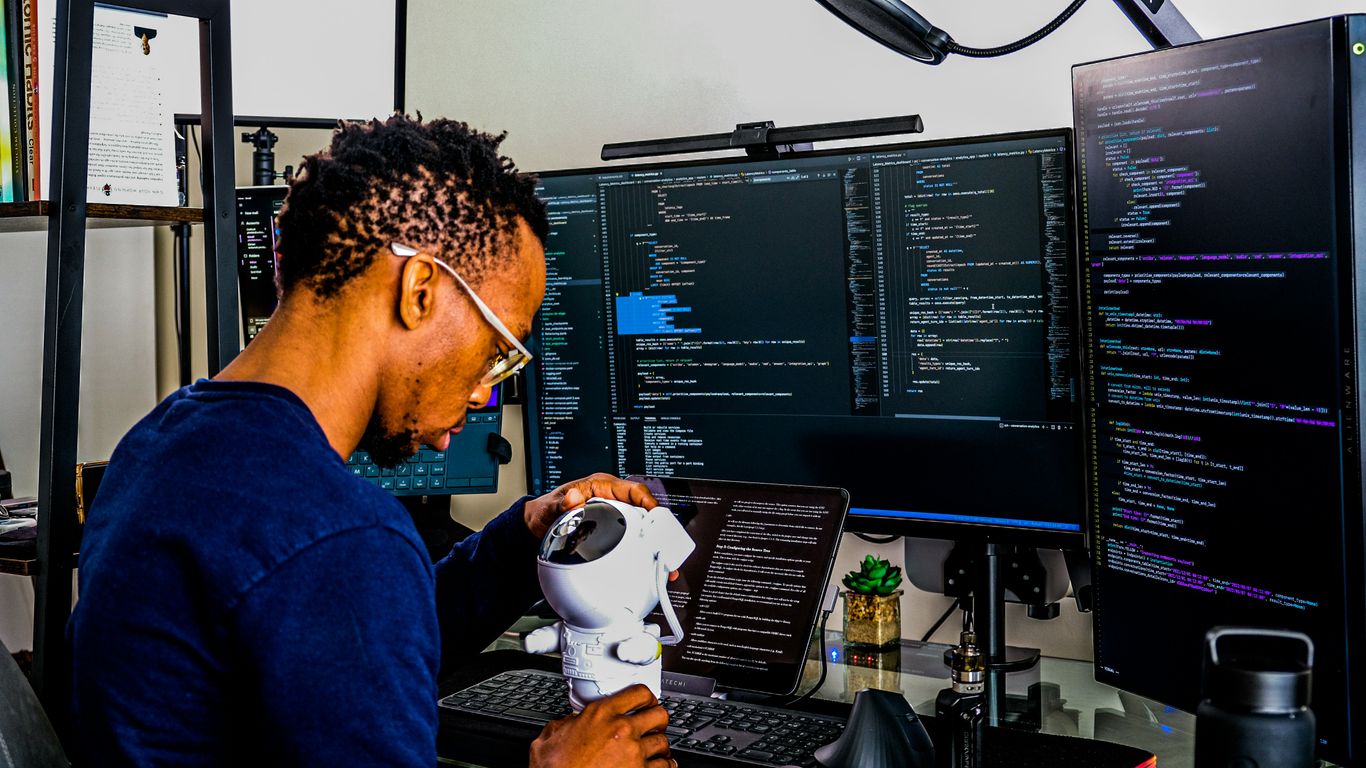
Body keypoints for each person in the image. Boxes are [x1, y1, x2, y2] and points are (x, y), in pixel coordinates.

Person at [69, 115, 675, 767]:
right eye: (497, 349)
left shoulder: (160, 442)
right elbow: (336, 588)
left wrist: (519, 540)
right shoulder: (338, 537)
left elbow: (342, 648)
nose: (484, 393)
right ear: (419, 292)